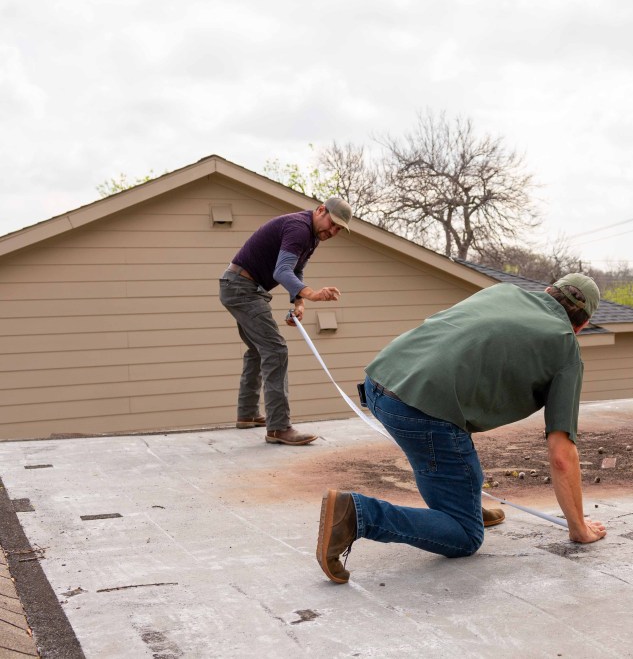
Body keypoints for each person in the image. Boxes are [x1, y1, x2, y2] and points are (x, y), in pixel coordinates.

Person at [316, 273, 608, 584]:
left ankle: (463, 502)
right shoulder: (565, 347)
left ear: (549, 291)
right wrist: (578, 528)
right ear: (582, 325)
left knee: (449, 444)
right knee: (466, 535)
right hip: (421, 412)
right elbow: (562, 455)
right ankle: (358, 515)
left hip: (379, 383)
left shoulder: (505, 292)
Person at [219, 196, 352, 446]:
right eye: (332, 223)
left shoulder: (311, 234)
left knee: (258, 350)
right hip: (242, 288)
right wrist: (312, 294)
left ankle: (246, 414)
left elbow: (295, 269)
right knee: (275, 350)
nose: (333, 231)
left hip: (238, 287)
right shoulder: (299, 228)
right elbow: (281, 272)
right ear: (320, 210)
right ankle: (278, 428)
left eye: (338, 229)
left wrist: (298, 303)